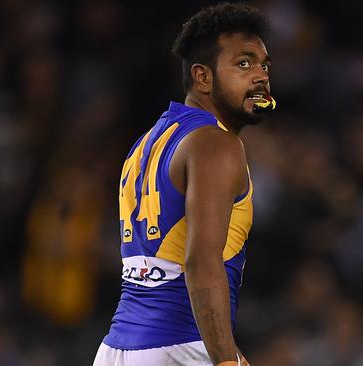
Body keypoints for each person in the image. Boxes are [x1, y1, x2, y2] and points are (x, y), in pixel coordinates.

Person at [93, 3, 275, 366]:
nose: (260, 76)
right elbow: (201, 262)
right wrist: (226, 360)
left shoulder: (147, 142)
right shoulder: (216, 144)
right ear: (203, 77)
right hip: (180, 345)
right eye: (243, 63)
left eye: (263, 64)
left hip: (116, 349)